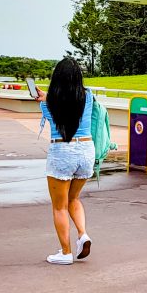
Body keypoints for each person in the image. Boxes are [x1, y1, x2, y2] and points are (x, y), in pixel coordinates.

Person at [35, 57, 94, 265]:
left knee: (59, 206)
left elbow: (53, 116)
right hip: (87, 149)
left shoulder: (49, 102)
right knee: (74, 199)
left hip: (62, 151)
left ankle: (66, 252)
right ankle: (83, 234)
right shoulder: (89, 96)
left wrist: (44, 98)